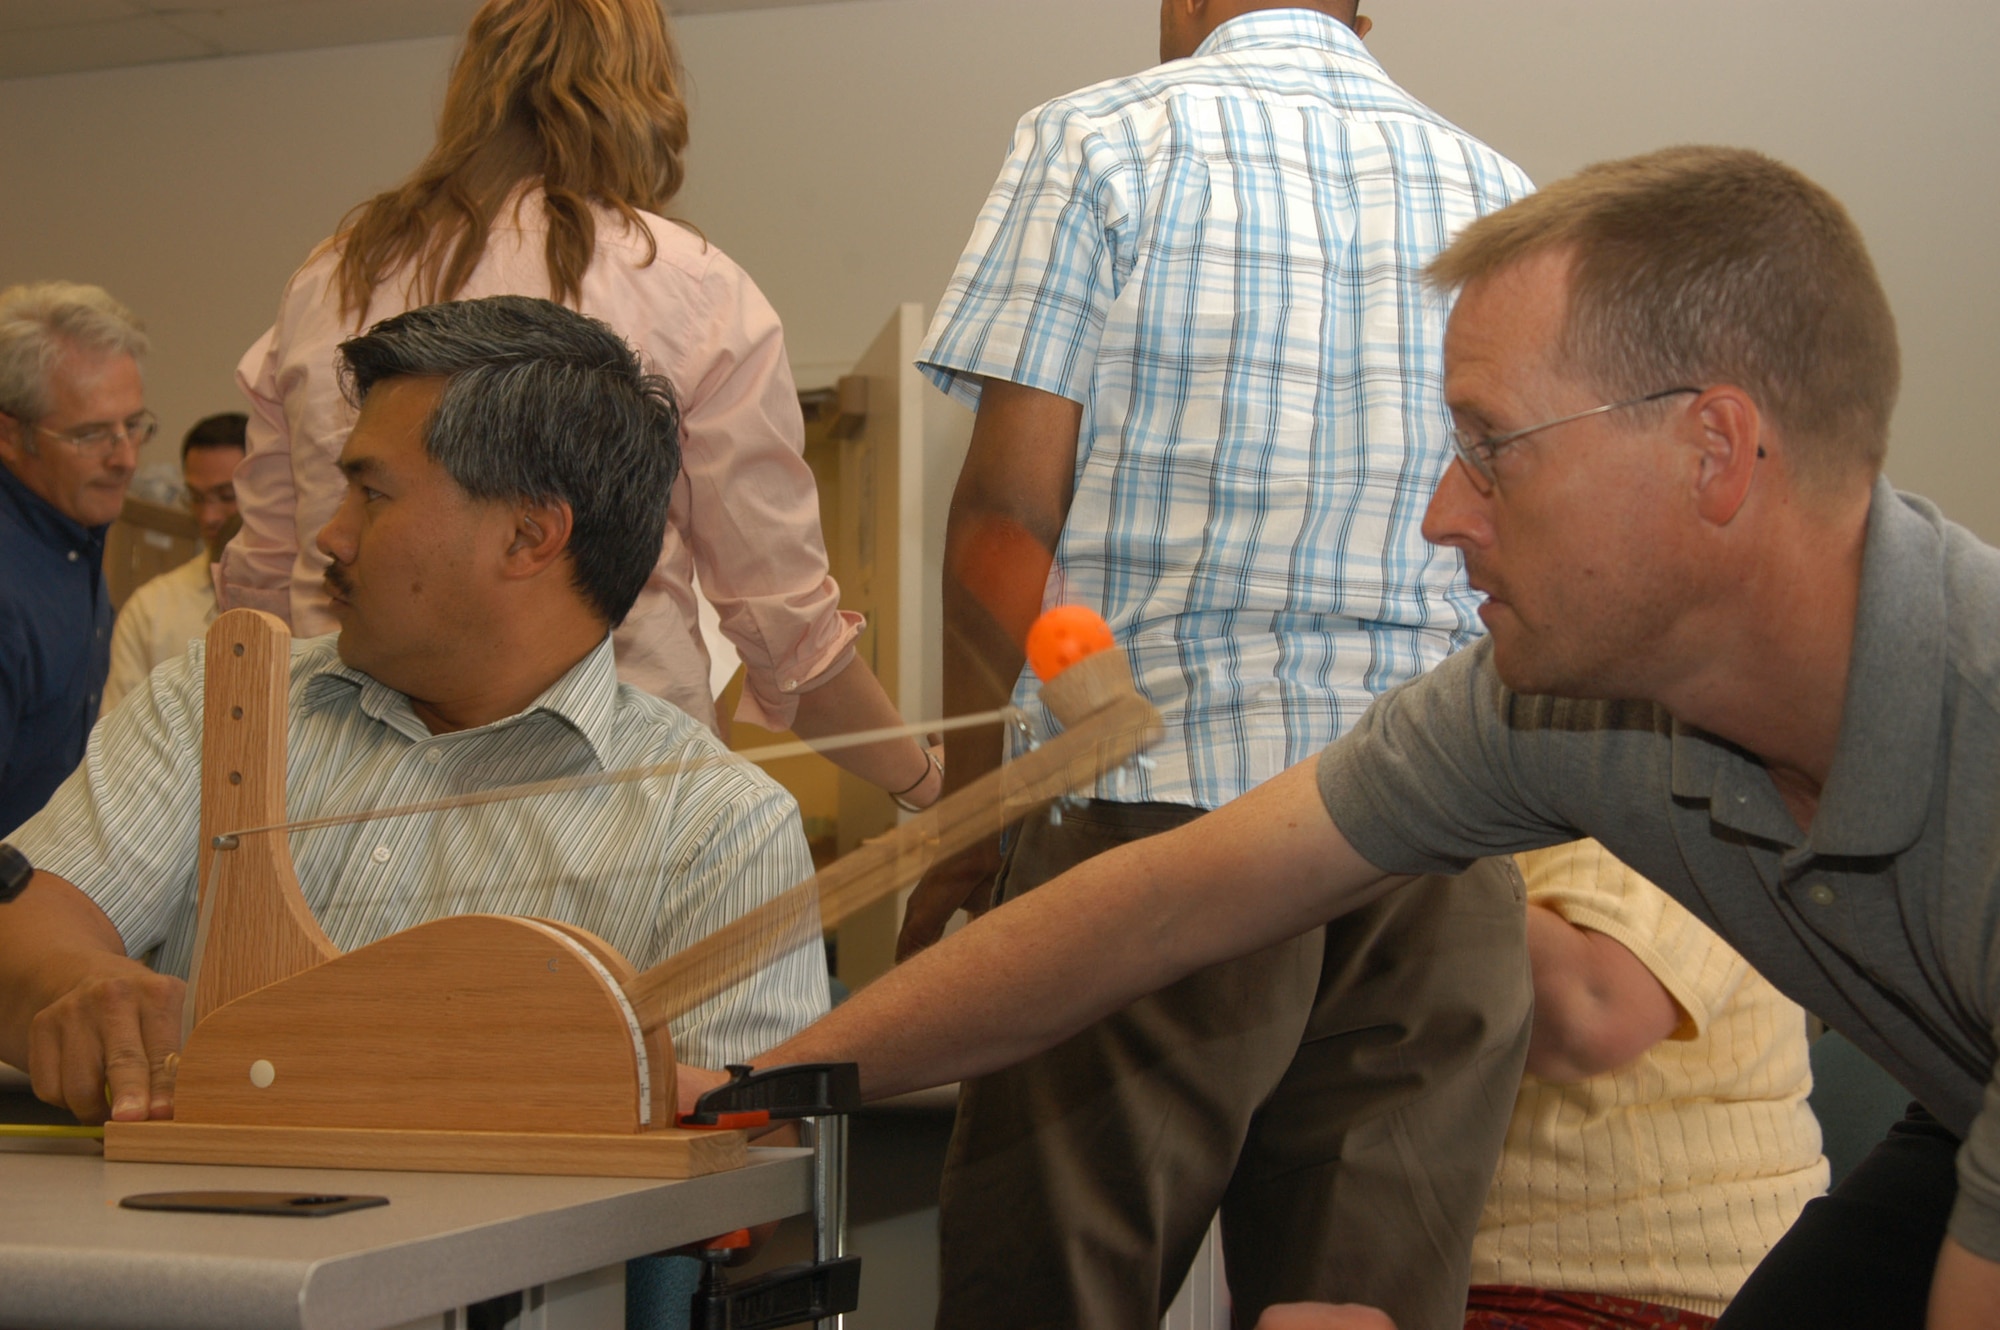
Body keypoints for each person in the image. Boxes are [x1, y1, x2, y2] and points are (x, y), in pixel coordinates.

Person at [675, 146, 2000, 1330]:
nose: (1441, 514)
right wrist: (751, 1080)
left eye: (1493, 447)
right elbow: (1158, 906)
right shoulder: (1548, 704)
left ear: (1714, 449)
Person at [898, 2, 1534, 1324]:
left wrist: (974, 819)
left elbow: (1005, 526)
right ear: (1364, 9)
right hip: (1436, 846)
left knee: (1052, 1301)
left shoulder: (1097, 141)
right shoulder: (1504, 198)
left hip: (1161, 828)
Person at [0, 295, 827, 1129]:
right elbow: (29, 924)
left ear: (527, 536)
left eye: (372, 495)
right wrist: (78, 989)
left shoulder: (719, 830)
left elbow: (736, 1174)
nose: (331, 536)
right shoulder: (222, 705)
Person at [218, 0, 940, 807]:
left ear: (469, 86)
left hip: (346, 784)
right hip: (615, 788)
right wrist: (924, 783)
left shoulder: (327, 281)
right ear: (646, 98)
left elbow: (257, 598)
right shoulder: (691, 288)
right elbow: (784, 627)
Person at [1466, 840, 1826, 1329]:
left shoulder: (1642, 778)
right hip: (1504, 1275)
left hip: (1625, 1287)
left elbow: (1591, 1007)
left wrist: (1379, 850)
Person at [0, 281, 149, 836]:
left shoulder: (71, 532)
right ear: (10, 435)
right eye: (91, 435)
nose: (126, 459)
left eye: (133, 425)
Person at [104, 412, 248, 711]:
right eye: (196, 497)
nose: (209, 517)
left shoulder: (305, 600)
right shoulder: (150, 610)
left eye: (226, 496)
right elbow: (116, 742)